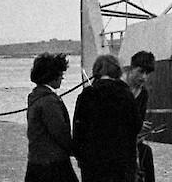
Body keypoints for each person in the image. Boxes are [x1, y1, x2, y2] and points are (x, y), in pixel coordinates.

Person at [73, 54, 141, 182]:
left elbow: (78, 131)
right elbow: (136, 125)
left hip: (92, 164)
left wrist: (80, 156)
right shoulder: (125, 94)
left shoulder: (86, 96)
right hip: (122, 163)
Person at [26, 53, 80, 182]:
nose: (62, 77)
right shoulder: (49, 101)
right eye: (60, 74)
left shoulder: (35, 97)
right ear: (52, 76)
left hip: (36, 161)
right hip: (53, 163)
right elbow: (59, 131)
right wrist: (75, 150)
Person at [122, 51, 157, 182]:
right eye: (141, 71)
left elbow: (139, 120)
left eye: (147, 73)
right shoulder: (118, 88)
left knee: (146, 154)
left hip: (132, 142)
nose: (144, 77)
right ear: (131, 69)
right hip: (117, 143)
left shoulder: (143, 94)